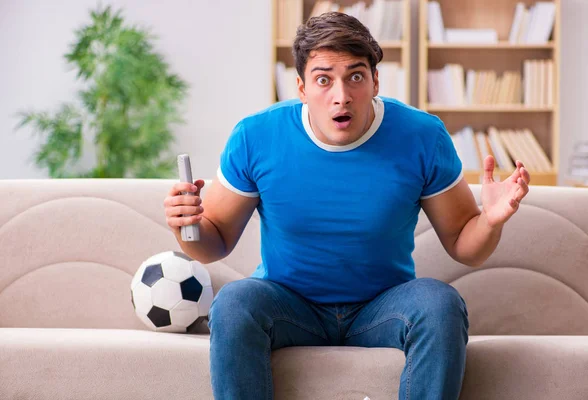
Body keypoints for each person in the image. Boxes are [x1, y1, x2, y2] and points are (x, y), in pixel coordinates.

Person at [163, 11, 530, 400]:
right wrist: (187, 225)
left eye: (355, 76)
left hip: (383, 307)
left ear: (375, 81)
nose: (341, 95)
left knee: (440, 304)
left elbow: (463, 244)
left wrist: (489, 221)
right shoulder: (256, 136)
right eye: (324, 80)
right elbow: (214, 242)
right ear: (302, 88)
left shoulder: (422, 135)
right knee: (235, 303)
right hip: (289, 305)